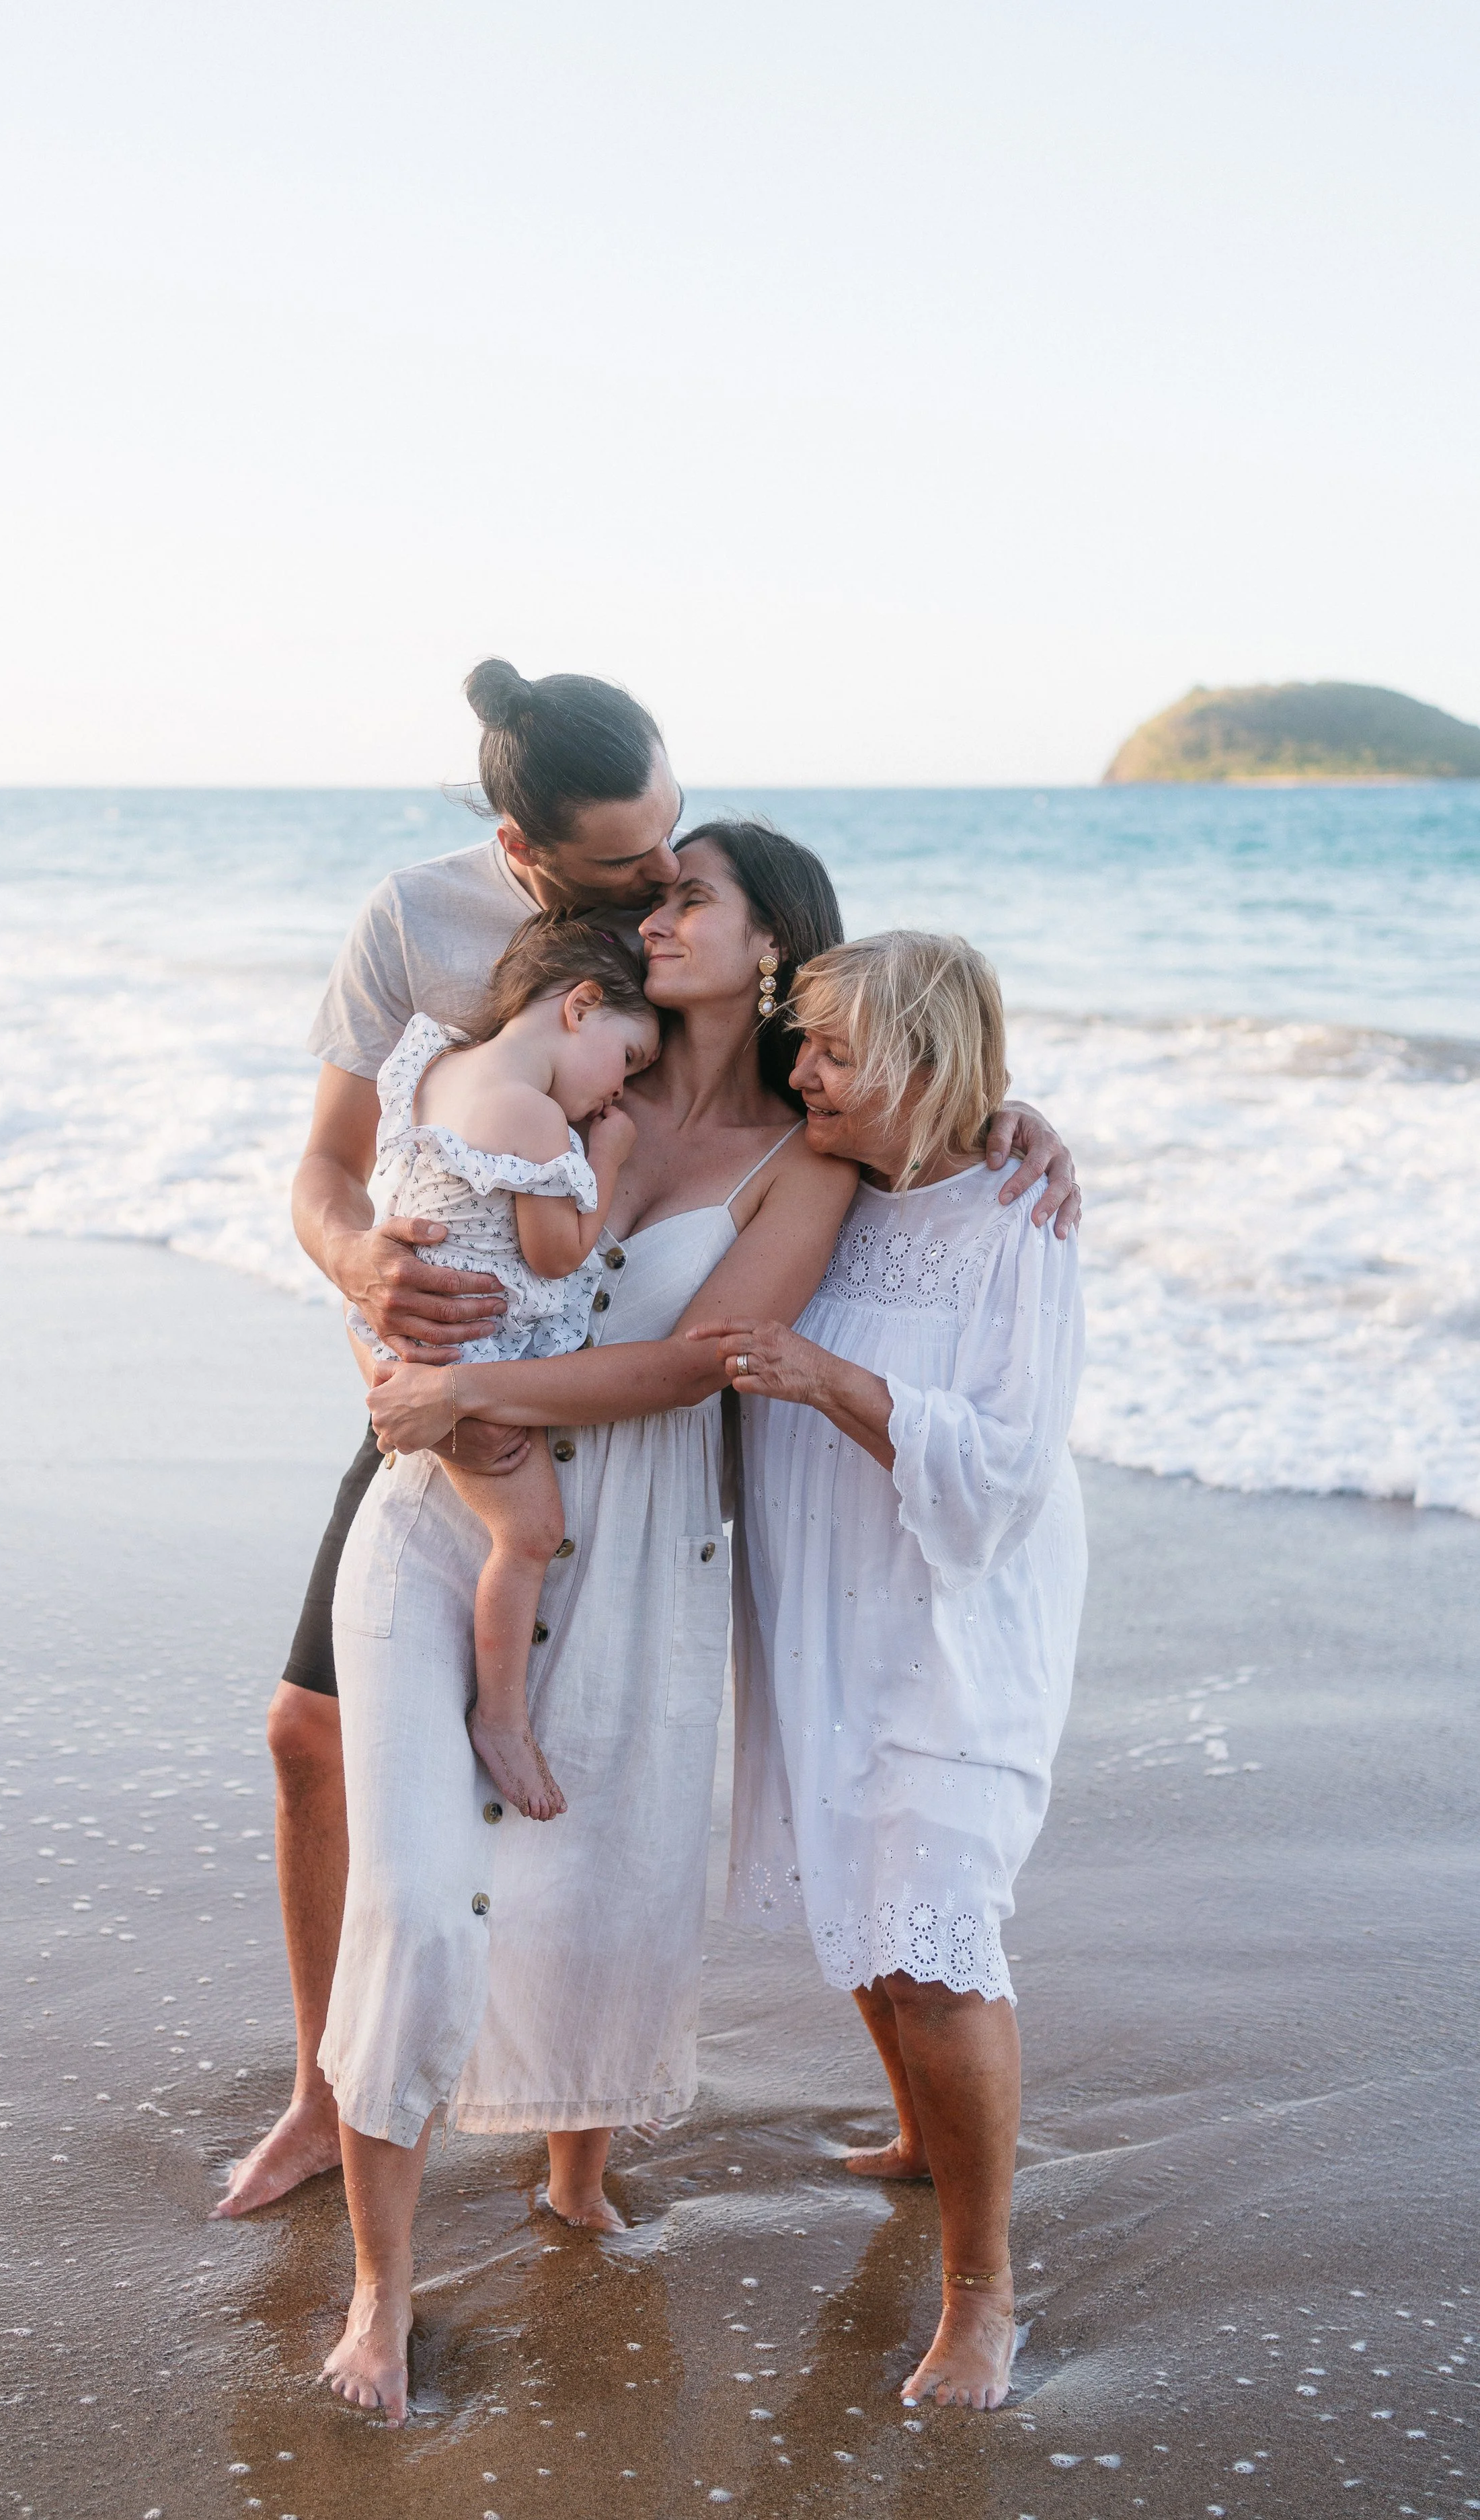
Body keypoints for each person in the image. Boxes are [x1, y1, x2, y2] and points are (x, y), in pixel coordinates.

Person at [212, 659, 1081, 2221]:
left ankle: (583, 2153)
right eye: (635, 869)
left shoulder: (756, 1060)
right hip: (459, 1395)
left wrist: (1005, 1121)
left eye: (678, 860)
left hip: (610, 1448)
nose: (657, 888)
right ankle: (322, 2094)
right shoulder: (496, 950)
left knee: (604, 1827)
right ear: (527, 851)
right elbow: (363, 1166)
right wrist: (370, 1293)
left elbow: (892, 1045)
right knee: (313, 1735)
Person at [691, 929, 1088, 2414]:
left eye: (836, 1052)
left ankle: (982, 2293)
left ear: (926, 1063)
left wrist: (824, 1378)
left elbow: (1006, 1472)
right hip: (822, 1606)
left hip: (950, 1621)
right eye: (801, 1043)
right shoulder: (833, 1186)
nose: (802, 1072)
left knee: (936, 1935)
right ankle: (924, 2136)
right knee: (863, 1889)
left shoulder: (1018, 1217)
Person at [346, 918, 660, 1820]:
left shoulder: (435, 1066)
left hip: (398, 1329)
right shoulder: (535, 1116)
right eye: (628, 1060)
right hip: (464, 1352)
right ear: (581, 1006)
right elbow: (557, 1251)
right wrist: (605, 1158)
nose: (619, 1090)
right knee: (530, 1534)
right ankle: (503, 1717)